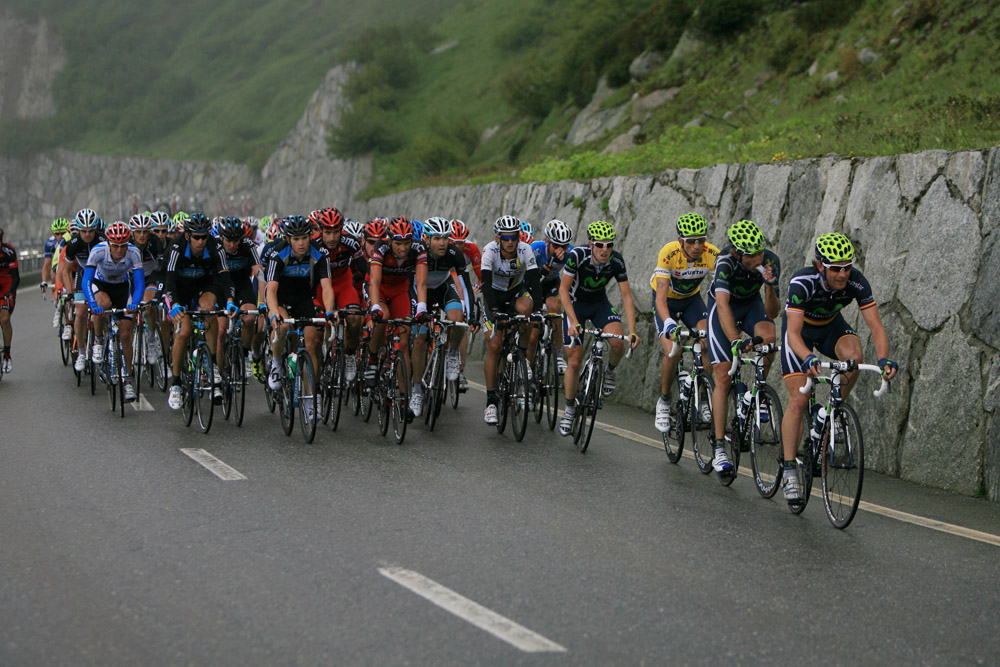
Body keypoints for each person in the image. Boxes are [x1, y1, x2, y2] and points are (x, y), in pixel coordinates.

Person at [778, 232, 898, 504]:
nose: (843, 274)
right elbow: (793, 334)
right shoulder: (802, 282)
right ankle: (788, 470)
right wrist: (808, 357)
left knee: (854, 357)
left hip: (831, 327)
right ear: (820, 266)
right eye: (835, 268)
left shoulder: (856, 281)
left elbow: (876, 326)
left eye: (847, 267)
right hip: (800, 335)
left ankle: (828, 413)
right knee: (799, 398)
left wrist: (883, 360)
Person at [704, 220, 780, 474]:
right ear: (738, 253)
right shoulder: (725, 262)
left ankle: (754, 395)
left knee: (769, 337)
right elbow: (723, 305)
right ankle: (718, 449)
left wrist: (769, 285)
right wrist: (735, 338)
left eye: (761, 250)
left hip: (751, 305)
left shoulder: (769, 261)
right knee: (724, 375)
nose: (759, 257)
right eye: (752, 254)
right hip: (724, 309)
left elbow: (772, 312)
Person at [558, 220, 640, 435]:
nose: (605, 250)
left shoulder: (616, 260)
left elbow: (626, 296)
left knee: (617, 342)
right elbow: (564, 291)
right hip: (575, 304)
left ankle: (609, 371)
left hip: (599, 304)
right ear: (591, 244)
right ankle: (568, 409)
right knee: (574, 362)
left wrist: (632, 330)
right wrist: (573, 321)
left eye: (609, 245)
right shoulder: (577, 256)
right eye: (600, 245)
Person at [651, 212, 719, 433]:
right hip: (667, 301)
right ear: (681, 241)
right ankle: (664, 401)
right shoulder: (668, 253)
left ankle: (705, 397)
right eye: (691, 241)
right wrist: (669, 322)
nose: (698, 245)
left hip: (692, 301)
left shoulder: (712, 254)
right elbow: (660, 299)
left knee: (708, 341)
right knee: (673, 350)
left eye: (701, 240)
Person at [263, 215, 335, 424]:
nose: (301, 243)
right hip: (281, 300)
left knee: (312, 343)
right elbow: (271, 289)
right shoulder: (278, 254)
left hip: (304, 299)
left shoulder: (319, 253)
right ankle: (276, 362)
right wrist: (274, 312)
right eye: (296, 239)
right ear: (288, 239)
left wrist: (329, 312)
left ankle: (311, 400)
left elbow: (327, 287)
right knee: (283, 326)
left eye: (304, 237)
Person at [163, 213, 238, 410]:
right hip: (178, 290)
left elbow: (225, 278)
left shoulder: (215, 246)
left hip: (203, 287)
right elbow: (169, 281)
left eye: (204, 236)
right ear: (187, 236)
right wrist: (175, 304)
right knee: (184, 332)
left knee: (209, 310)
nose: (201, 241)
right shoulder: (176, 247)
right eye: (197, 237)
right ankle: (177, 384)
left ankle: (212, 364)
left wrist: (230, 301)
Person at [480, 215, 540, 425]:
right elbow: (485, 284)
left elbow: (534, 281)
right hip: (494, 296)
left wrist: (538, 309)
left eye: (513, 237)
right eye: (506, 238)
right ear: (498, 238)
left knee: (526, 311)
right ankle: (491, 402)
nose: (510, 242)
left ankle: (522, 357)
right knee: (495, 346)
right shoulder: (490, 251)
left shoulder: (525, 250)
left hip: (515, 292)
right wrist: (495, 311)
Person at [411, 217, 475, 406]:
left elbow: (466, 285)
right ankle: (416, 389)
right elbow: (414, 283)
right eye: (437, 238)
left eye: (446, 238)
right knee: (420, 339)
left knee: (457, 319)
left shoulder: (454, 253)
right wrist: (418, 309)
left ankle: (453, 353)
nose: (442, 243)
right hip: (419, 291)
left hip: (442, 289)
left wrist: (471, 317)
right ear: (426, 239)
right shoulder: (417, 252)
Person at [366, 216, 427, 415]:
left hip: (401, 290)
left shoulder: (419, 249)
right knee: (382, 317)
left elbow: (420, 283)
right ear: (390, 240)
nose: (403, 248)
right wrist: (374, 306)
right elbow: (374, 281)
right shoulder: (380, 248)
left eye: (407, 243)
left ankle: (404, 399)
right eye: (398, 243)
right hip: (381, 289)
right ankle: (373, 360)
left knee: (404, 339)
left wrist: (421, 308)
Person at [82, 221, 145, 401]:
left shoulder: (134, 253)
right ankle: (99, 339)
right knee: (103, 304)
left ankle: (128, 381)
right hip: (100, 285)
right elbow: (86, 280)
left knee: (125, 334)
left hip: (122, 288)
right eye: (116, 245)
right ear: (109, 243)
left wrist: (136, 303)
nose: (119, 250)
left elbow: (139, 282)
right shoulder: (98, 251)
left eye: (123, 245)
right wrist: (93, 304)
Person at [311, 207, 364, 381]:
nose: (332, 238)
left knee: (355, 318)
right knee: (317, 331)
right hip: (319, 286)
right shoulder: (313, 245)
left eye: (336, 232)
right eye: (327, 232)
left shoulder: (351, 243)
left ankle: (349, 354)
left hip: (343, 283)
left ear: (341, 230)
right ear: (321, 230)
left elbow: (365, 271)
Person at [61, 209, 105, 373]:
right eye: (83, 231)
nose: (87, 235)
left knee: (102, 309)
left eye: (91, 231)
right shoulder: (72, 243)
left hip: (100, 273)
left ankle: (101, 340)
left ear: (96, 229)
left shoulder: (102, 240)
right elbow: (66, 271)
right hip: (82, 273)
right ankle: (81, 352)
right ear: (78, 230)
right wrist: (71, 293)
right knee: (80, 314)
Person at [529, 219, 574, 372]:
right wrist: (549, 264)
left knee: (555, 307)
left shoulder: (569, 253)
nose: (560, 249)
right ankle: (527, 367)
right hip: (532, 284)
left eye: (564, 246)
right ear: (547, 241)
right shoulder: (535, 249)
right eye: (556, 245)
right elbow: (531, 278)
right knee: (533, 336)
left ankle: (559, 354)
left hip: (551, 285)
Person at [449, 219, 481, 390]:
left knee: (461, 320)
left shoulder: (471, 250)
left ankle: (460, 370)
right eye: (453, 243)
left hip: (461, 277)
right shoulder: (441, 247)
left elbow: (473, 282)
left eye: (460, 243)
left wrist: (471, 316)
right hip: (444, 278)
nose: (457, 247)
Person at [0, 225, 19, 373]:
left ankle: (7, 354)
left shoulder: (8, 251)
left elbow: (16, 277)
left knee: (5, 319)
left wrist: (11, 292)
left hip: (7, 285)